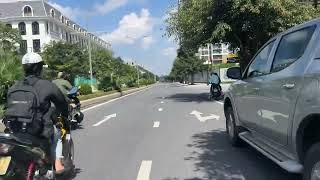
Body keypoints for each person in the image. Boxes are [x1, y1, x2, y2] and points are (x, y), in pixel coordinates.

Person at [5, 52, 69, 174]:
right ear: (38, 68)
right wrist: (64, 116)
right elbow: (62, 103)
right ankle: (57, 164)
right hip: (38, 130)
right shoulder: (47, 85)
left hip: (16, 129)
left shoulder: (14, 86)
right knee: (57, 134)